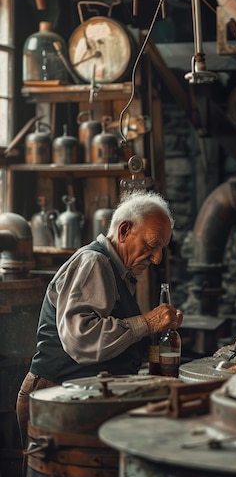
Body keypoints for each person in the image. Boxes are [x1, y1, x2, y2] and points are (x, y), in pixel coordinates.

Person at [16, 189, 183, 448]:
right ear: (124, 231)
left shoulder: (120, 271)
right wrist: (148, 323)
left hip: (74, 401)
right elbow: (82, 340)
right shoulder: (94, 262)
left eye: (161, 248)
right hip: (54, 400)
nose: (157, 258)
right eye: (152, 246)